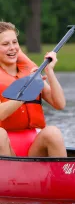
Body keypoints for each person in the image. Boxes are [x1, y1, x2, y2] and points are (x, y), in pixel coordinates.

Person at [0, 21, 67, 157]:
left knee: (53, 132)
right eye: (5, 44)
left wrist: (49, 72)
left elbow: (60, 104)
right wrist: (25, 94)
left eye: (15, 42)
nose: (12, 48)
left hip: (33, 149)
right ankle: (10, 177)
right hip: (5, 147)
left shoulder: (29, 73)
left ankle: (61, 176)